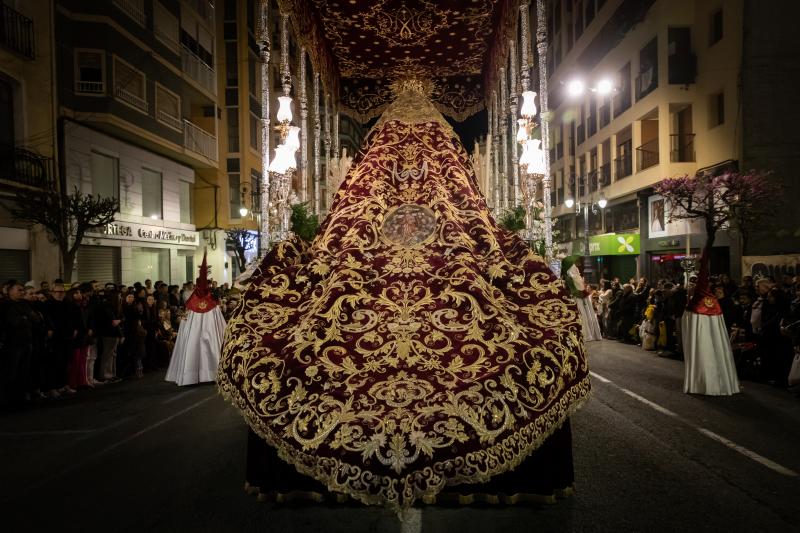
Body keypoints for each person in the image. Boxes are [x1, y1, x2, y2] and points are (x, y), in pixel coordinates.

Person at [681, 250, 739, 395]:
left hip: (719, 330)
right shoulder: (712, 303)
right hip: (711, 331)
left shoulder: (715, 303)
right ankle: (712, 381)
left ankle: (712, 382)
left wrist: (705, 256)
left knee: (713, 352)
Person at [166, 251, 226, 386]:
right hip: (200, 329)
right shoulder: (200, 299)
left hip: (204, 329)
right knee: (202, 345)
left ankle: (207, 373)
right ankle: (203, 374)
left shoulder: (204, 300)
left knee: (202, 345)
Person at [561, 256, 602, 341]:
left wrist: (581, 293)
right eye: (573, 265)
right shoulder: (571, 277)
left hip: (579, 298)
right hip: (578, 298)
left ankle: (586, 334)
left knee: (584, 315)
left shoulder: (573, 276)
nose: (576, 267)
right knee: (584, 315)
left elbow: (577, 288)